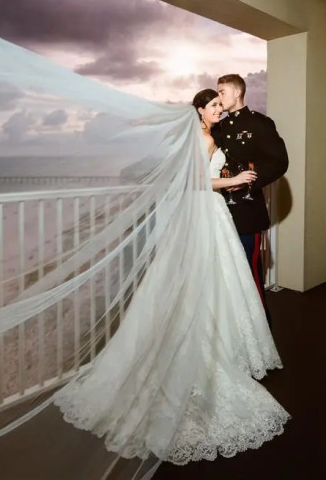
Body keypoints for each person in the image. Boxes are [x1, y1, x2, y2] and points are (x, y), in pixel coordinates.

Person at [54, 89, 290, 465]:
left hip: (213, 213)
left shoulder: (212, 135)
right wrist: (234, 180)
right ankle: (196, 345)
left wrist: (233, 177)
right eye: (214, 106)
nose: (220, 109)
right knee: (204, 277)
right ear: (200, 111)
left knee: (220, 278)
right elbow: (196, 181)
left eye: (221, 104)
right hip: (205, 208)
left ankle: (219, 341)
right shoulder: (200, 138)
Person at [214, 74, 289, 327]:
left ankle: (261, 327)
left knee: (250, 271)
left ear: (237, 93)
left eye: (222, 92)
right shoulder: (219, 127)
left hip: (247, 211)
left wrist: (249, 182)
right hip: (219, 210)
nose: (219, 97)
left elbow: (279, 162)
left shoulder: (259, 123)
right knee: (225, 272)